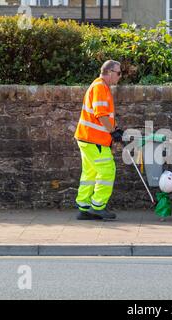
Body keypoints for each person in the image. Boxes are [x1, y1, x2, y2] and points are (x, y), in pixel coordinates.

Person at [74, 60, 124, 220]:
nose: (120, 76)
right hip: (94, 139)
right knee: (108, 170)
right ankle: (98, 206)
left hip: (86, 137)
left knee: (90, 172)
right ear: (109, 72)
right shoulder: (100, 87)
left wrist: (114, 129)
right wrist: (112, 132)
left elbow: (102, 115)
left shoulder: (99, 86)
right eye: (118, 73)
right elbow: (101, 114)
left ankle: (84, 207)